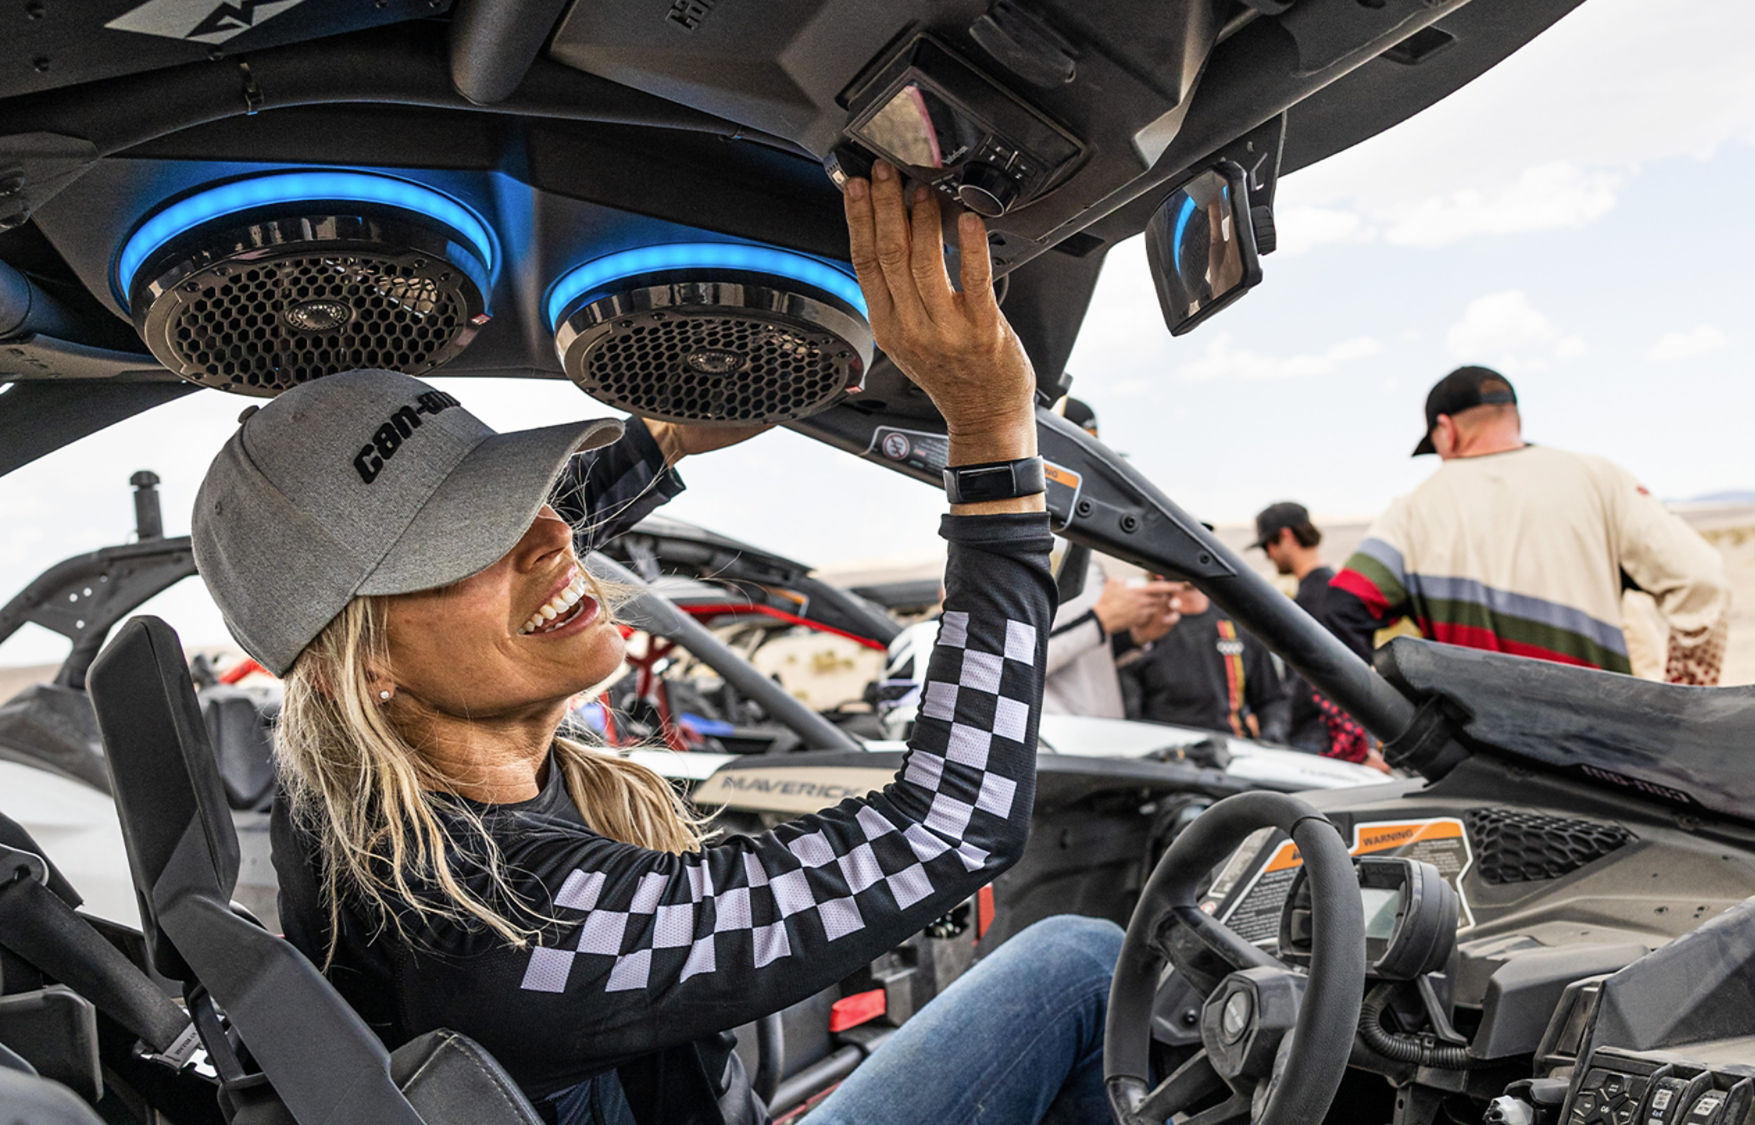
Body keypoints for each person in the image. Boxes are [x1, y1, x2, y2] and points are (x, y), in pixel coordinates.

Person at [191, 164, 1119, 1125]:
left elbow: (494, 568)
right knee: (1084, 966)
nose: (551, 537)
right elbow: (952, 821)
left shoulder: (347, 790)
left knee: (1075, 962)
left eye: (519, 497)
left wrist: (671, 428)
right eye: (470, 538)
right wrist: (994, 437)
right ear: (367, 664)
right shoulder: (513, 921)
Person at [1322, 365, 1730, 684]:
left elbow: (1342, 608)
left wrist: (1385, 720)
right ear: (1513, 417)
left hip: (1479, 757)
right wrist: (1681, 705)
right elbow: (1703, 582)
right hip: (1606, 750)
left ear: (1445, 431)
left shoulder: (1413, 509)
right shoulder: (1599, 478)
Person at [1044, 396, 1179, 718]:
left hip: (1092, 745)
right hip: (1046, 749)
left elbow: (1075, 666)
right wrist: (1100, 620)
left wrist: (1130, 635)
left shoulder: (1077, 542)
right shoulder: (1004, 544)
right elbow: (1002, 664)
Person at [1252, 502, 1384, 771]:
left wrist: (1356, 751)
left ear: (1286, 537)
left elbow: (1340, 678)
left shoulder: (1316, 599)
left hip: (1325, 742)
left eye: (1268, 545)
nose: (1268, 556)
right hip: (1337, 737)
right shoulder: (1334, 592)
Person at [1119, 582, 1291, 742]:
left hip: (1230, 751)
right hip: (1165, 757)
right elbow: (1128, 716)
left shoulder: (1237, 623)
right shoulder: (1140, 629)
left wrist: (1271, 737)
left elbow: (1271, 700)